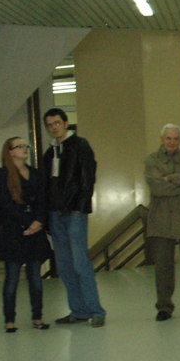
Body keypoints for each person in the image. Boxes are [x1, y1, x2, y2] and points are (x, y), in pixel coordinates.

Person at [41, 108, 106, 328]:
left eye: (57, 123)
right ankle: (78, 311)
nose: (54, 127)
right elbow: (46, 185)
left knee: (80, 263)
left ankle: (96, 311)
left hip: (74, 213)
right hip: (54, 214)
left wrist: (80, 207)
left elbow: (88, 177)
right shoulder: (49, 154)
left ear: (66, 123)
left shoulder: (80, 146)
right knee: (64, 266)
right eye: (49, 125)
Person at [0, 137, 51, 333]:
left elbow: (42, 200)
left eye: (25, 146)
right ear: (10, 152)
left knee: (35, 277)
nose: (24, 149)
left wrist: (37, 223)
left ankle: (37, 317)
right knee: (12, 278)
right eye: (19, 146)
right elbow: (6, 204)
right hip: (13, 231)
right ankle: (9, 320)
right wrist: (28, 223)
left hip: (35, 230)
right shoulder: (3, 175)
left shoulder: (34, 174)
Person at [145, 123, 180, 321]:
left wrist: (169, 178)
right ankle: (164, 307)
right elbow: (157, 188)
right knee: (163, 268)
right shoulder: (151, 160)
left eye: (175, 138)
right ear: (162, 139)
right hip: (161, 221)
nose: (171, 142)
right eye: (168, 138)